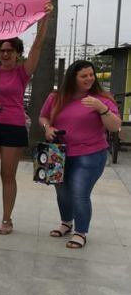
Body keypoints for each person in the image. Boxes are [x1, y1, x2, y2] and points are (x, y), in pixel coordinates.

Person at [0, 1, 54, 234]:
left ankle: (7, 219)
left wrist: (44, 18)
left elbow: (37, 45)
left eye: (9, 51)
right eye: (1, 50)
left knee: (8, 175)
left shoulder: (23, 72)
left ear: (16, 54)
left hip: (14, 128)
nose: (5, 54)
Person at [39, 60, 121, 249]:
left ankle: (81, 232)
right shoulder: (56, 97)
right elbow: (43, 116)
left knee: (79, 192)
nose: (89, 79)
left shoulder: (102, 99)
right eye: (84, 76)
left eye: (91, 75)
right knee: (62, 191)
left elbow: (115, 126)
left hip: (91, 154)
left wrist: (102, 108)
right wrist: (47, 127)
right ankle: (66, 223)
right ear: (73, 78)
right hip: (59, 152)